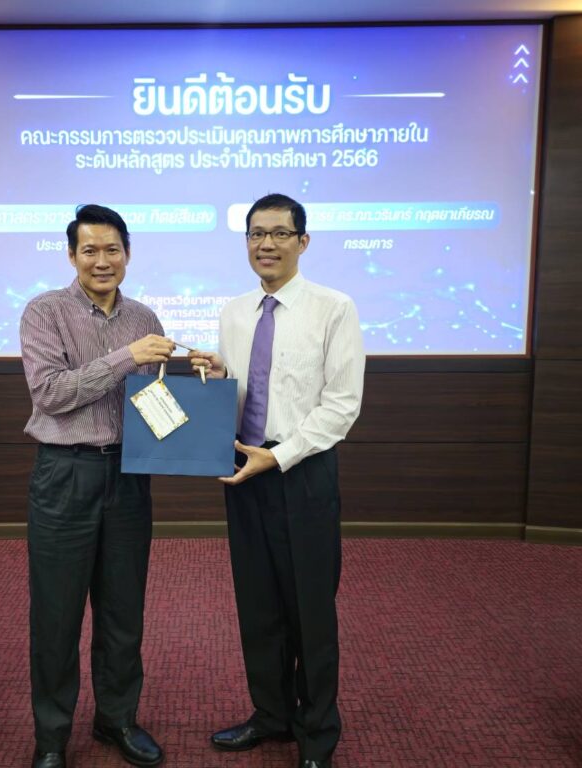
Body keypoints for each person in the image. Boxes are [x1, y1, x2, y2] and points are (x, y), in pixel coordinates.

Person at [188, 194, 365, 768]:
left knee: (309, 609)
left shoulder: (334, 308)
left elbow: (342, 405)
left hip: (302, 471)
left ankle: (317, 734)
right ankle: (271, 716)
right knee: (258, 604)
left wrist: (280, 456)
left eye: (280, 233)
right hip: (246, 470)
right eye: (256, 234)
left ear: (302, 242)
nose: (266, 244)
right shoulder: (235, 312)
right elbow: (244, 392)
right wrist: (220, 377)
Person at [20, 204, 174, 768]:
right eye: (90, 250)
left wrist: (209, 375)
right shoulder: (45, 312)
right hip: (65, 474)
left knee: (123, 612)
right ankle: (52, 738)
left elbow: (153, 402)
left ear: (127, 254)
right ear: (72, 255)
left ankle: (117, 719)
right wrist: (125, 357)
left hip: (129, 476)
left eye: (112, 249)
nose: (102, 260)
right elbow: (52, 394)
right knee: (57, 616)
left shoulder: (145, 317)